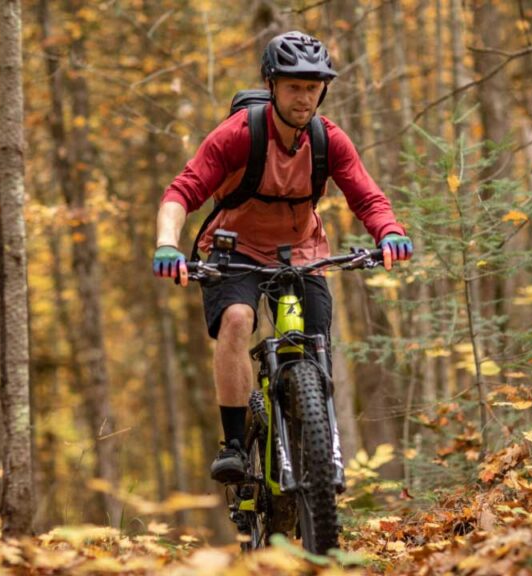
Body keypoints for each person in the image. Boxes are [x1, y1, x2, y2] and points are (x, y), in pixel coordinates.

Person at [152, 31, 412, 484]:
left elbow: (368, 198)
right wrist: (168, 244)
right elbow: (181, 192)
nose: (304, 97)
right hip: (235, 251)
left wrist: (389, 232)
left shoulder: (328, 139)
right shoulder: (238, 134)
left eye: (313, 87)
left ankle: (315, 436)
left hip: (303, 253)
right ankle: (234, 444)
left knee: (316, 344)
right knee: (236, 319)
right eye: (294, 86)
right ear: (271, 85)